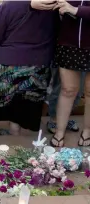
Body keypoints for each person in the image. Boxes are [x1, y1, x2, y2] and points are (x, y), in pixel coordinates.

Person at [0, 1, 58, 136]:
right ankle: (14, 131)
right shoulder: (53, 7)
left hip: (7, 62)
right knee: (23, 101)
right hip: (38, 64)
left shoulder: (9, 6)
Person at [47, 0, 90, 147]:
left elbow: (73, 9)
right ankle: (59, 132)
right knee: (67, 90)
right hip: (68, 44)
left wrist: (75, 10)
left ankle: (87, 131)